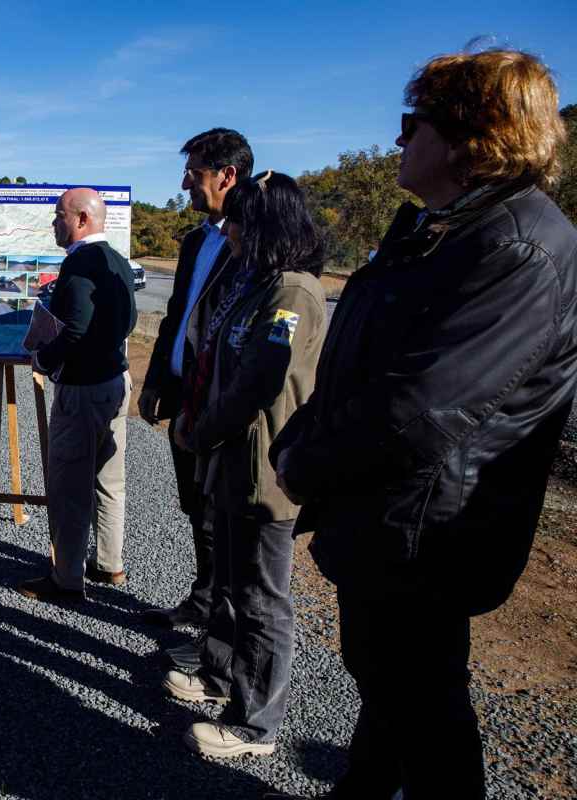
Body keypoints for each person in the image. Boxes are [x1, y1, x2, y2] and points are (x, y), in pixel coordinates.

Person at [266, 49, 577, 800]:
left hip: (427, 529)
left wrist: (302, 458)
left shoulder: (520, 246)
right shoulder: (443, 228)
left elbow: (423, 408)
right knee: (388, 683)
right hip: (391, 515)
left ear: (475, 134)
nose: (399, 141)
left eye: (414, 124)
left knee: (423, 703)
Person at [159, 171, 326, 759]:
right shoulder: (257, 284)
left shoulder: (293, 293)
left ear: (266, 224)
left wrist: (201, 428)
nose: (227, 229)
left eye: (239, 220)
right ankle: (219, 674)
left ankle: (256, 723)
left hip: (261, 468)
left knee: (261, 597)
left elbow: (261, 379)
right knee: (229, 584)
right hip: (229, 460)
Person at [138, 128, 252, 629]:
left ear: (228, 175)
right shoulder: (196, 241)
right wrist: (156, 381)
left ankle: (221, 626)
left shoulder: (253, 242)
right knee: (193, 506)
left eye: (195, 173)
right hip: (184, 391)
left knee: (220, 515)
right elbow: (175, 317)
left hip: (220, 400)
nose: (185, 182)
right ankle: (203, 599)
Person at [17, 188, 136, 601]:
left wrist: (45, 360)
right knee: (109, 480)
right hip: (112, 383)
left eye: (58, 215)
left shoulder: (83, 262)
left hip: (83, 389)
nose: (54, 223)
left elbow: (77, 326)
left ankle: (67, 580)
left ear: (82, 219)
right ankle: (108, 564)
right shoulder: (117, 260)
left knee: (70, 487)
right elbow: (128, 320)